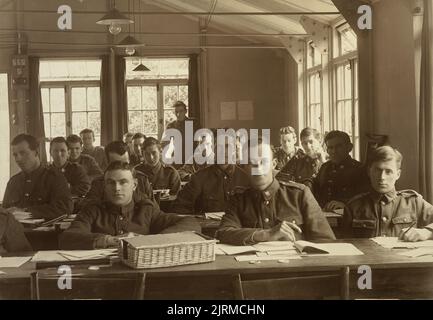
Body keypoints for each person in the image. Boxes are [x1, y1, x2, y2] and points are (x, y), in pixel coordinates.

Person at [217, 138, 335, 245]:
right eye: (251, 163)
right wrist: (265, 234)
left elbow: (326, 240)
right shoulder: (238, 199)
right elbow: (223, 232)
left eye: (263, 162)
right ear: (244, 168)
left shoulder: (299, 194)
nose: (258, 168)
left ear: (273, 164)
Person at [59, 162, 200, 250]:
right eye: (111, 183)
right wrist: (108, 240)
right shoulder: (92, 210)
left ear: (134, 185)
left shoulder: (146, 210)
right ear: (104, 186)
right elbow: (68, 238)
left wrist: (150, 241)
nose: (116, 188)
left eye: (123, 182)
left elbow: (191, 223)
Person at [342, 146, 433, 241]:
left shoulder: (414, 203)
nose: (382, 177)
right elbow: (346, 246)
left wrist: (426, 232)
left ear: (397, 174)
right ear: (369, 171)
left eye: (388, 172)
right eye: (377, 170)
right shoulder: (354, 206)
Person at [174, 135, 250, 215]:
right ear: (214, 149)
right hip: (205, 226)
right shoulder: (199, 178)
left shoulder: (245, 179)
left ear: (234, 150)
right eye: (219, 147)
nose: (224, 151)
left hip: (236, 227)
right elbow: (179, 207)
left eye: (227, 146)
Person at [3, 134, 73, 219]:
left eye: (22, 153)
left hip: (41, 231)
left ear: (36, 152)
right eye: (15, 155)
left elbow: (65, 208)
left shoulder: (54, 178)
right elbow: (4, 211)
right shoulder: (13, 182)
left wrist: (26, 211)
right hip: (13, 231)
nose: (18, 159)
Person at [85, 140, 156, 206]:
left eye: (125, 164)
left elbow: (153, 208)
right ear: (107, 163)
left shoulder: (141, 179)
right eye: (116, 165)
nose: (121, 168)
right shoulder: (98, 183)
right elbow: (89, 207)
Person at [313, 130, 369, 211]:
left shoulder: (359, 169)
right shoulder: (325, 167)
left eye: (338, 146)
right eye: (330, 147)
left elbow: (365, 199)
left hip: (347, 216)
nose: (334, 151)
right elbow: (317, 190)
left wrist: (346, 205)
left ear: (349, 147)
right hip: (324, 214)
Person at [164, 101, 199, 167]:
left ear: (186, 111)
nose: (178, 114)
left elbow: (200, 142)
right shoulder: (171, 126)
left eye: (181, 111)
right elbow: (166, 145)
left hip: (192, 159)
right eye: (176, 112)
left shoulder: (194, 123)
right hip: (176, 159)